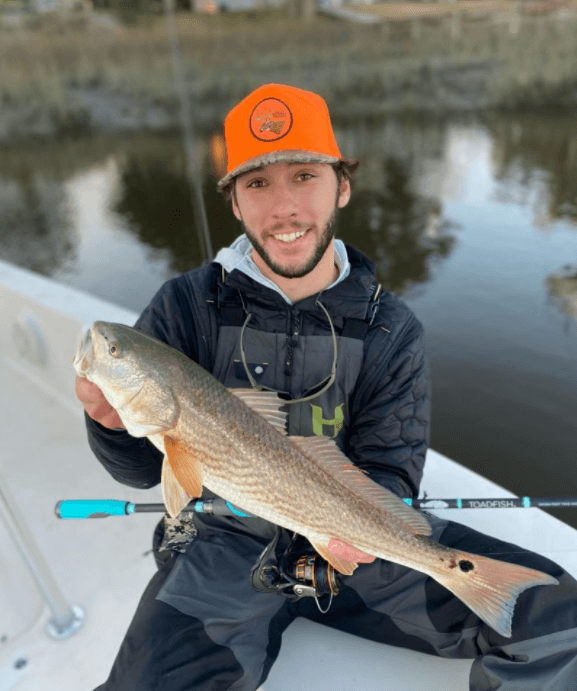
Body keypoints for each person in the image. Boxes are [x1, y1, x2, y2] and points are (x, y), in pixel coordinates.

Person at [75, 83, 577, 691]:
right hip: (223, 548)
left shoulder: (391, 328)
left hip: (360, 548)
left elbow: (390, 469)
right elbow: (136, 469)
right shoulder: (186, 304)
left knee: (563, 621)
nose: (283, 207)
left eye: (304, 176)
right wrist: (107, 423)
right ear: (234, 202)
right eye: (257, 183)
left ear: (342, 185)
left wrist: (348, 539)